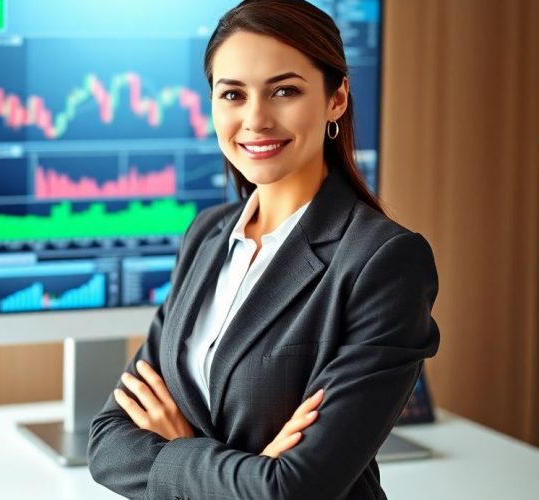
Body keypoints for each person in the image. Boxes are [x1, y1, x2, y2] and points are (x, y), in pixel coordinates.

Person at [88, 1, 440, 498]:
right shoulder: (207, 237)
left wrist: (182, 446)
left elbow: (293, 489)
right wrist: (245, 472)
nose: (255, 119)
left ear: (336, 98)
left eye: (284, 90)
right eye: (233, 94)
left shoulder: (383, 261)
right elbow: (107, 443)